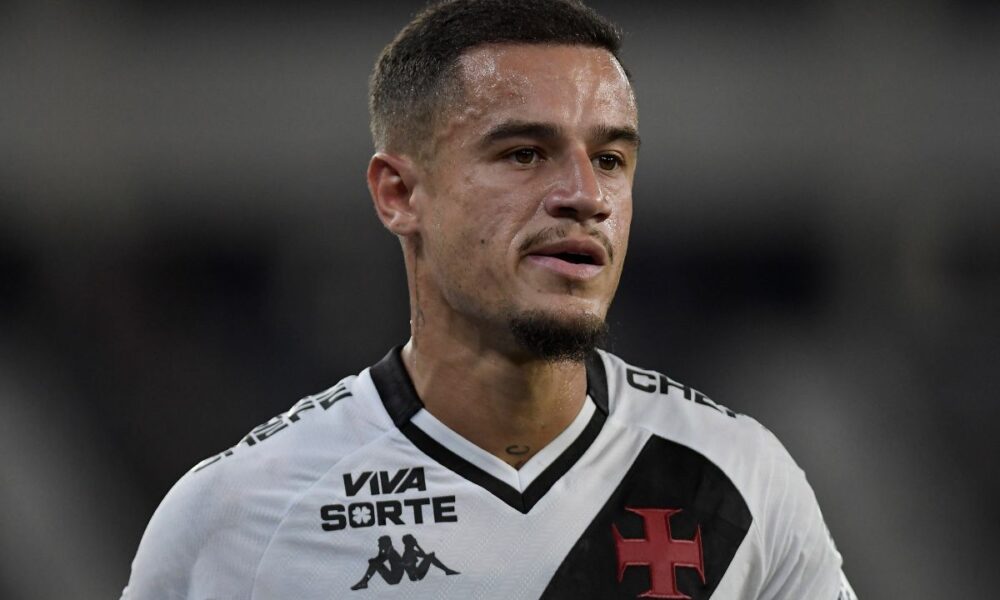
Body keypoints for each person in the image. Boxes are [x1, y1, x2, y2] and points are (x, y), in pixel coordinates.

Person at [122, 0, 857, 598]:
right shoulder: (240, 518)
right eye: (524, 154)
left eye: (610, 159)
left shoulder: (738, 482)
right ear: (399, 194)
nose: (585, 196)